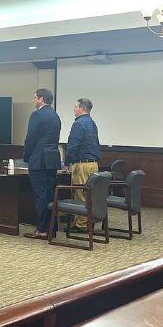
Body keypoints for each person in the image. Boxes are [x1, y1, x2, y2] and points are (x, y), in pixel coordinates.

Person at [23, 88, 62, 239]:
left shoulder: (37, 115)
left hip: (38, 159)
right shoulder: (55, 116)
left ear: (41, 99)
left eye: (35, 98)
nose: (34, 101)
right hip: (52, 160)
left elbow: (30, 139)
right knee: (50, 195)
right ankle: (52, 227)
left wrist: (27, 156)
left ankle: (43, 229)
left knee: (40, 195)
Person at [64, 97, 102, 232]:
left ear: (81, 108)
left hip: (82, 165)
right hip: (93, 164)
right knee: (90, 195)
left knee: (80, 194)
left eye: (75, 106)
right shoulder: (92, 123)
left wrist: (67, 162)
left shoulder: (78, 124)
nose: (74, 109)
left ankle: (81, 225)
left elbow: (73, 145)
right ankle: (87, 221)